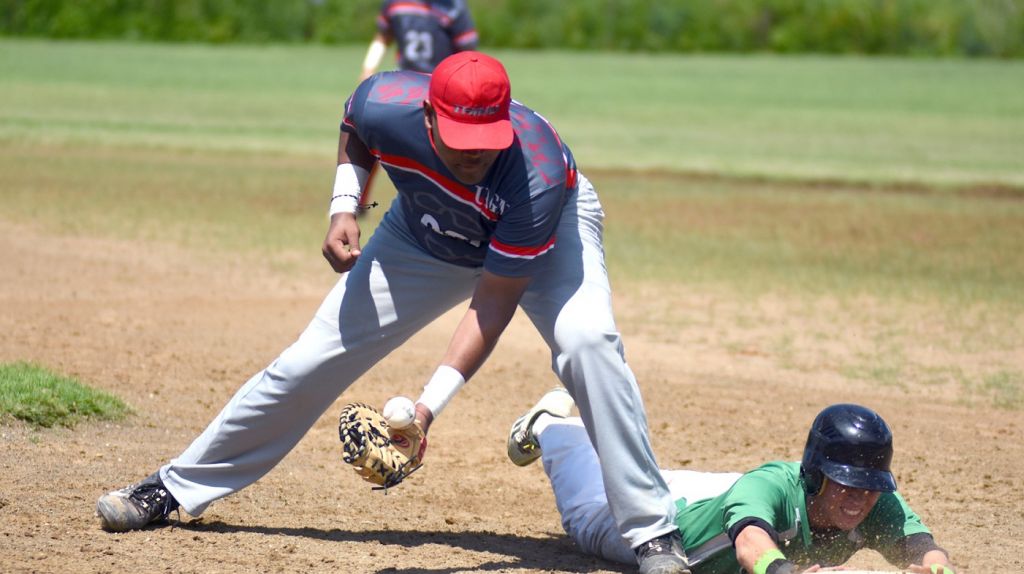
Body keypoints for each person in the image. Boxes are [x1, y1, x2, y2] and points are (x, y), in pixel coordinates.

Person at [95, 51, 689, 574]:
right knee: (307, 361)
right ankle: (173, 488)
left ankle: (652, 531)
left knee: (588, 342)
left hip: (544, 233)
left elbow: (493, 303)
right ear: (428, 116)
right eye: (458, 140)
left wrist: (426, 411)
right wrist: (344, 207)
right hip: (425, 230)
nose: (473, 157)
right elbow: (355, 128)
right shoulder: (384, 101)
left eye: (485, 145)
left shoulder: (532, 173)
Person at [509, 390, 958, 574]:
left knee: (736, 493)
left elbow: (919, 543)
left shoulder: (874, 499)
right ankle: (550, 424)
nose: (859, 497)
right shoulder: (777, 488)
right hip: (659, 525)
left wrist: (936, 567)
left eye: (870, 484)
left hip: (724, 495)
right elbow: (750, 546)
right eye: (844, 482)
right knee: (585, 513)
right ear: (817, 474)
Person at [359, 0, 478, 82]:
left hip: (440, 82)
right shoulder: (396, 3)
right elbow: (383, 37)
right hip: (404, 79)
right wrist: (368, 69)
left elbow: (466, 52)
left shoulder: (454, 7)